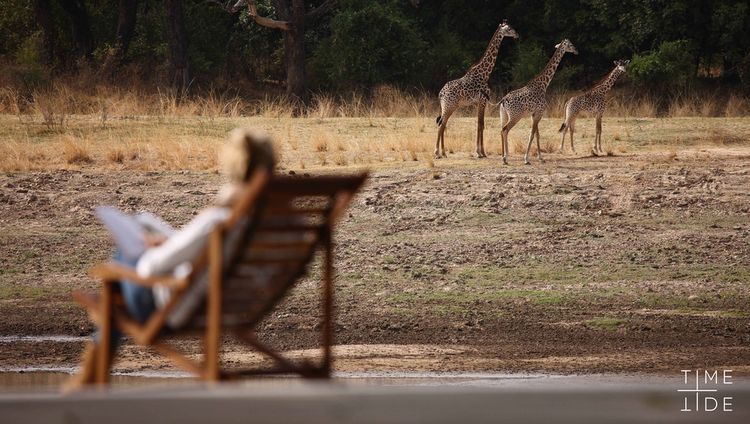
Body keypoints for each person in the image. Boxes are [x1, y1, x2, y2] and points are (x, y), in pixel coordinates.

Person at [65, 128, 276, 390]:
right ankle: (90, 367)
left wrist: (155, 248)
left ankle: (90, 370)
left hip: (180, 309)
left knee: (123, 263)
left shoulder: (218, 220)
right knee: (120, 288)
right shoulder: (278, 223)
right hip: (240, 305)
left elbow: (150, 268)